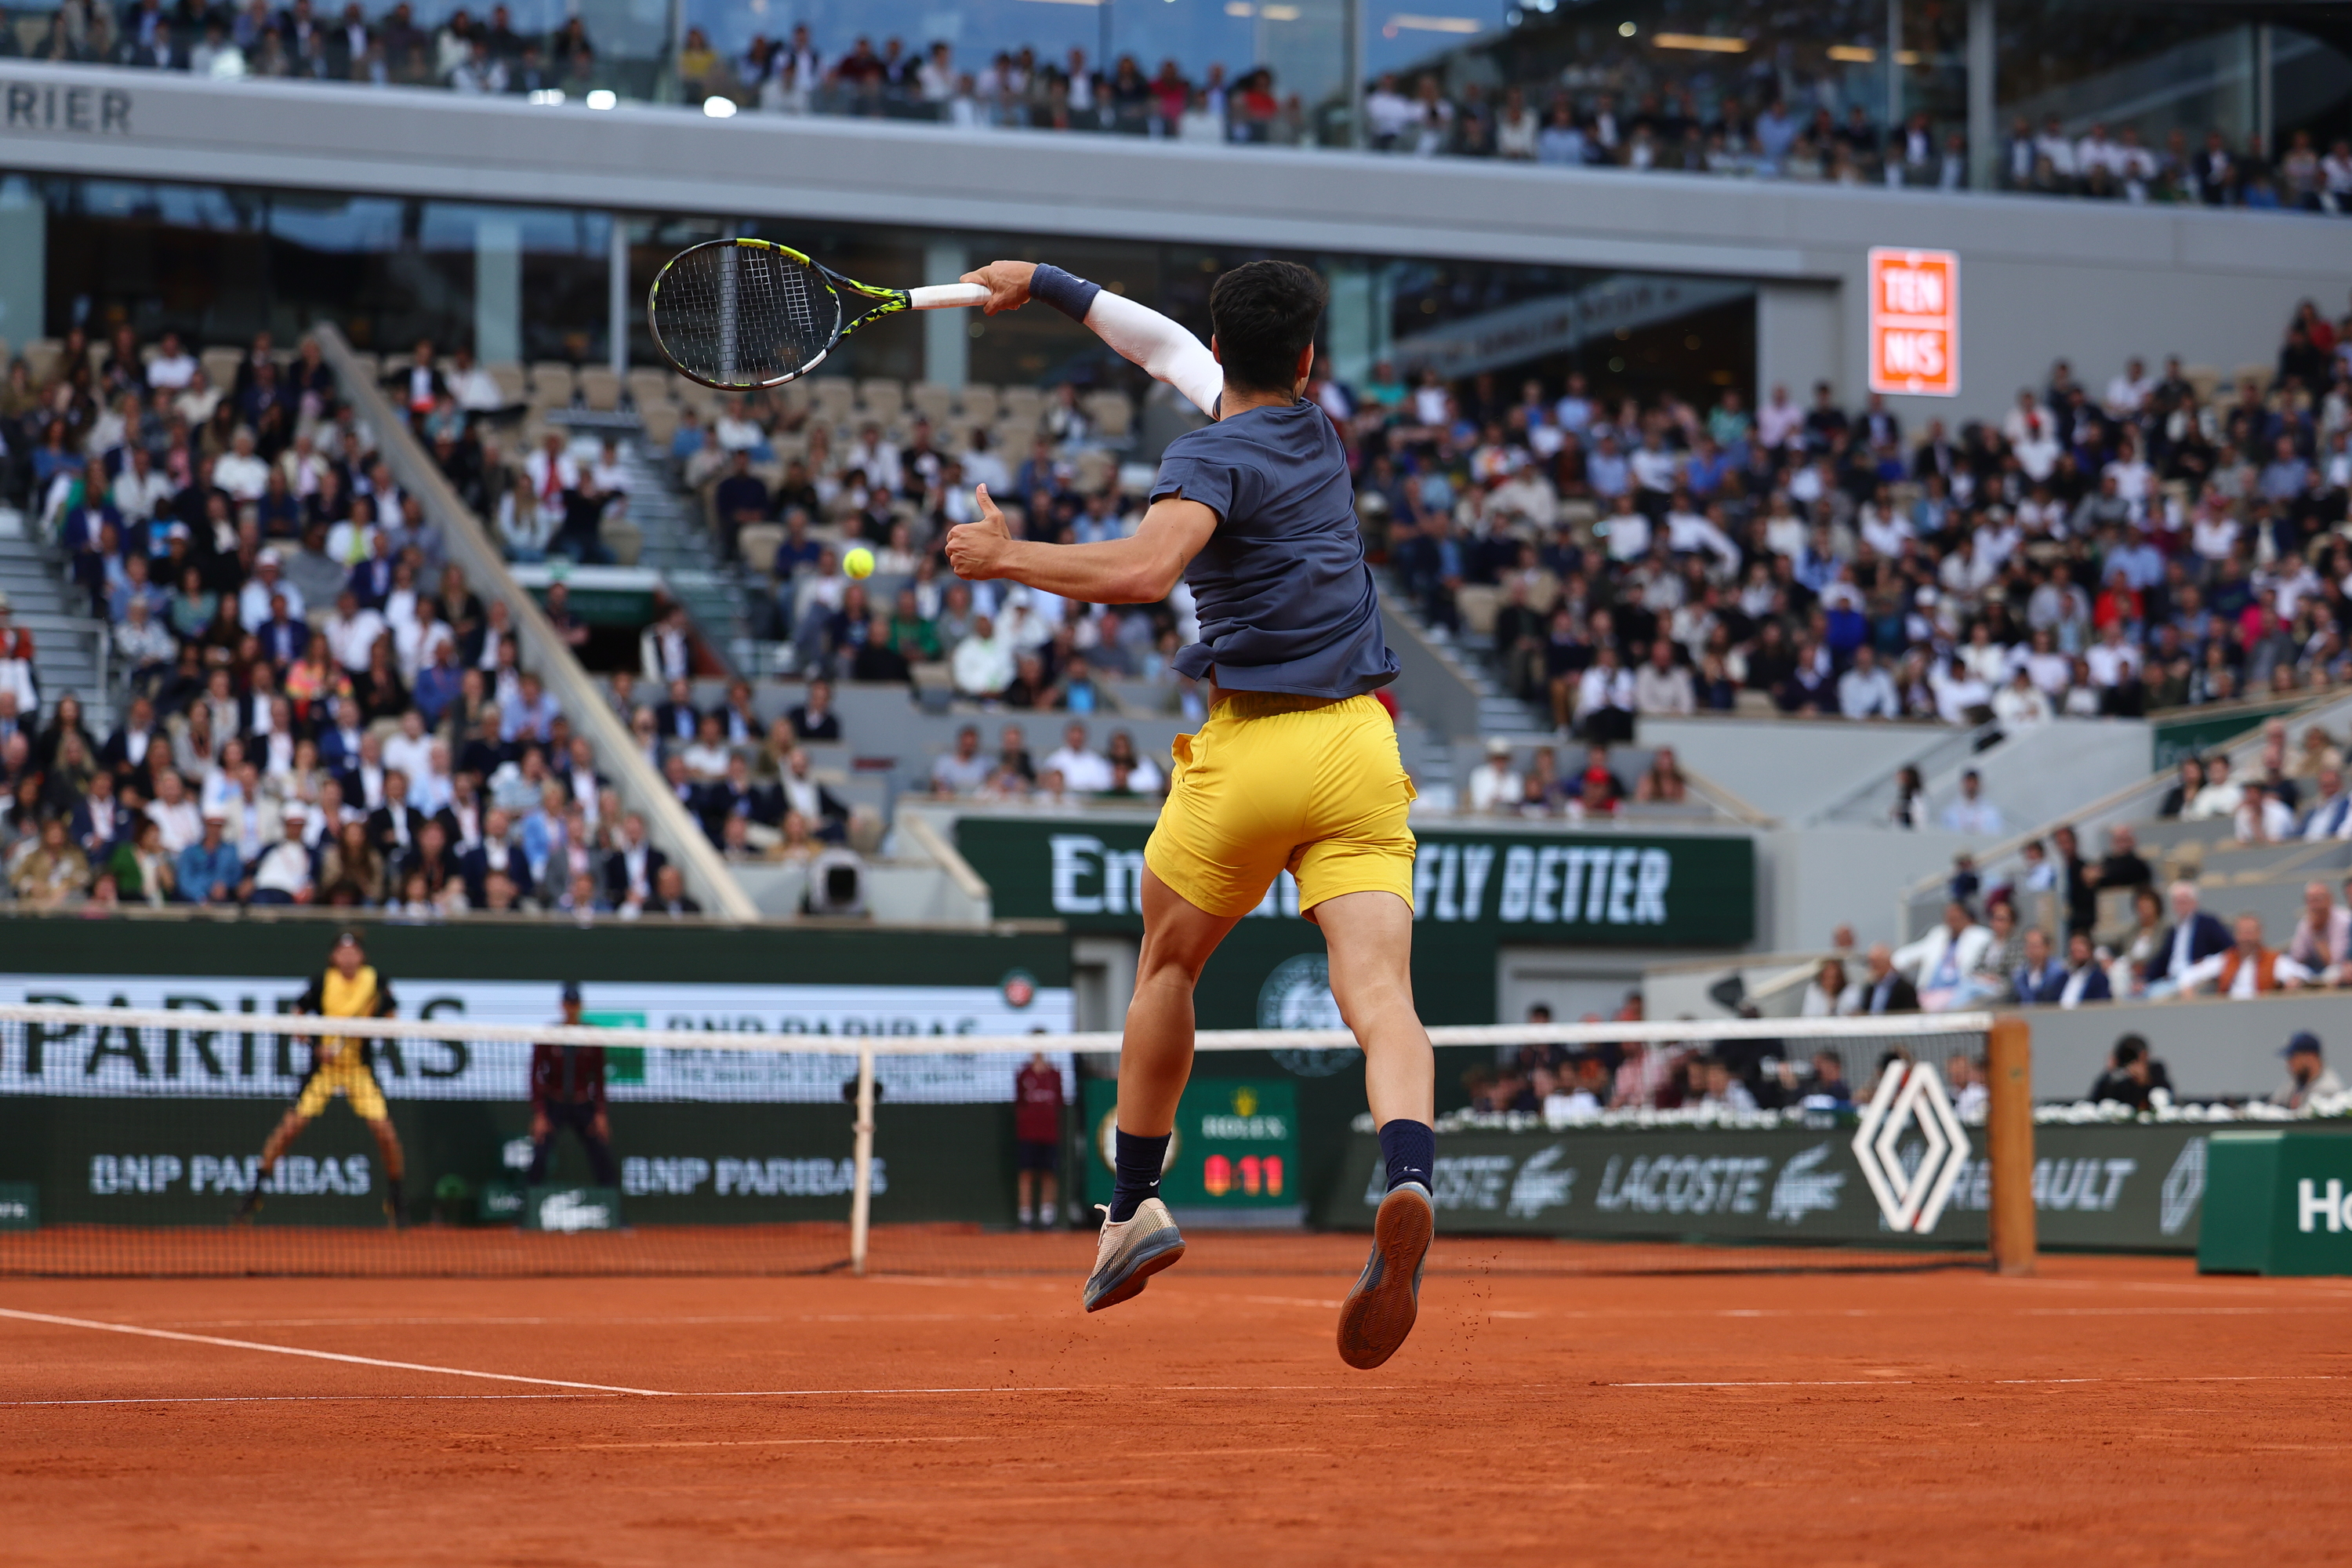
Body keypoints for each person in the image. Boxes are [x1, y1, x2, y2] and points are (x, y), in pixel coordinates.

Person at [948, 255, 1434, 1370]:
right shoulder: (1318, 432)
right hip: (1362, 745)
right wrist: (1048, 283)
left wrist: (1005, 556)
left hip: (1250, 750)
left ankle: (1131, 1209)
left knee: (1167, 967)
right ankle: (1408, 1174)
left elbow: (1143, 572)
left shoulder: (1205, 454)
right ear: (1307, 360)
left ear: (1225, 350)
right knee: (1381, 999)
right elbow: (1161, 346)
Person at [233, 931, 407, 1229]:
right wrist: (316, 1046)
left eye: (353, 952)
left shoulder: (376, 982)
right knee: (289, 1129)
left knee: (386, 1134)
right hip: (324, 1070)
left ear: (362, 957)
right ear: (333, 957)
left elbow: (391, 1018)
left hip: (358, 1070)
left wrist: (377, 1029)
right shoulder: (321, 982)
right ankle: (255, 1193)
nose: (348, 957)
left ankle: (396, 1199)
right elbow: (297, 1017)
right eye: (342, 952)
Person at [526, 982, 618, 1189]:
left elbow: (599, 1077)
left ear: (580, 1006)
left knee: (602, 1154)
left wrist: (600, 1113)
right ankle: (528, 1206)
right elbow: (534, 1074)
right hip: (554, 1104)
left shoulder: (592, 1036)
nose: (571, 1008)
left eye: (575, 1003)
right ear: (562, 1005)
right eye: (568, 1003)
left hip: (582, 1103)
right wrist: (540, 1113)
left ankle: (612, 1206)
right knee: (539, 1154)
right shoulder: (549, 1035)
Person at [1013, 1050, 1065, 1232]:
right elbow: (1019, 1102)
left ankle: (1047, 1216)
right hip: (1028, 1135)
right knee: (1026, 1174)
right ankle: (1025, 1217)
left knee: (1049, 1174)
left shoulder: (1055, 1075)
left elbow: (1059, 1102)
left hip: (1050, 1135)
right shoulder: (1024, 1074)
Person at [2089, 1033, 2172, 1110]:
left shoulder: (2156, 1070)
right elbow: (2096, 1101)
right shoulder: (2116, 1077)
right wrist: (2110, 1073)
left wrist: (2144, 1081)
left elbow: (2166, 1099)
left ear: (2144, 1055)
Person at [2270, 1031, 2345, 1111]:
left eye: (2293, 1057)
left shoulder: (2329, 1088)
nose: (2289, 1063)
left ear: (2310, 1057)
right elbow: (2274, 1102)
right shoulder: (2297, 1080)